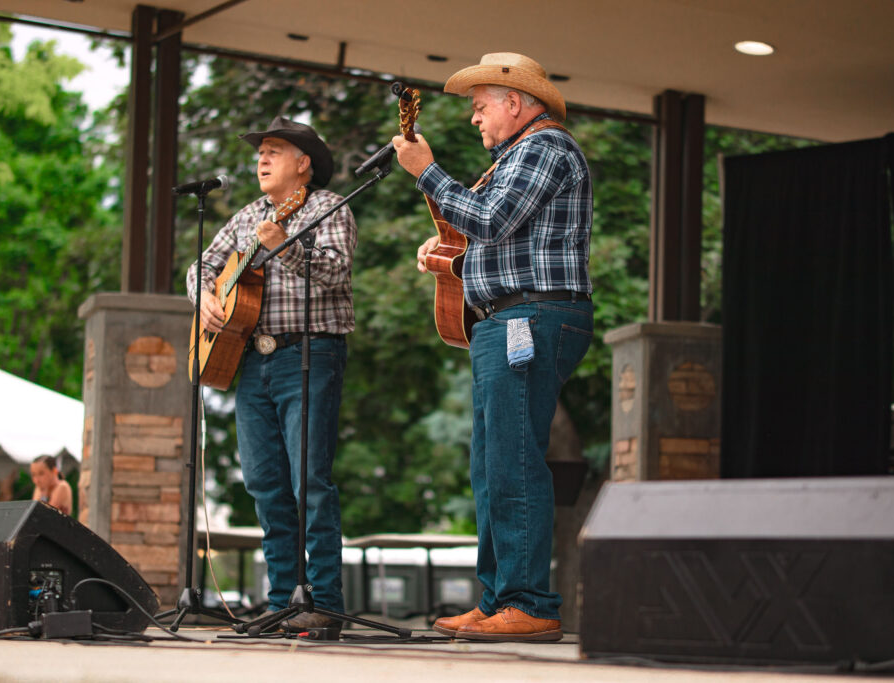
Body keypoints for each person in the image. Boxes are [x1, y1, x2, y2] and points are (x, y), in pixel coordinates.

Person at [392, 53, 594, 642]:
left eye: (481, 107)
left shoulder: (545, 148)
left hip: (529, 317)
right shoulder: (516, 156)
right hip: (512, 317)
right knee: (491, 465)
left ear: (515, 102)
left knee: (515, 460)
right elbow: (506, 241)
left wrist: (426, 171)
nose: (475, 120)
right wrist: (454, 260)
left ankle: (529, 603)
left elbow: (491, 218)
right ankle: (500, 598)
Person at [186, 116, 356, 631]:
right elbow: (201, 265)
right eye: (260, 151)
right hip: (250, 360)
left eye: (275, 151)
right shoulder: (246, 215)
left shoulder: (326, 207)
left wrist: (286, 243)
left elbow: (336, 270)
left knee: (310, 481)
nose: (261, 159)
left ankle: (322, 601)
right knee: (263, 483)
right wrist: (206, 298)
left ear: (303, 166)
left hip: (309, 353)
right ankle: (284, 601)